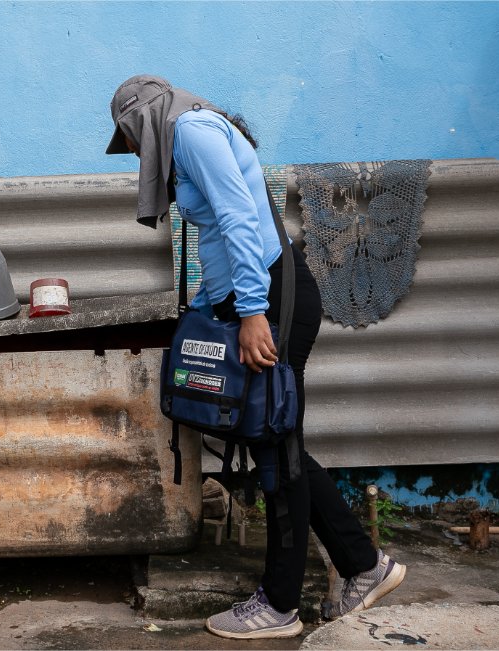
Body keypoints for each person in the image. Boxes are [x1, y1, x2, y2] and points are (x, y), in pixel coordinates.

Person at [105, 75, 407, 640]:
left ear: (144, 118)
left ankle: (279, 604)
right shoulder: (188, 135)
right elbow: (220, 236)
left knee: (277, 452)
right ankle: (365, 567)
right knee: (278, 438)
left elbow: (243, 219)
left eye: (130, 137)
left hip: (272, 298)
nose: (136, 152)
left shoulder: (191, 131)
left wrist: (249, 313)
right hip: (257, 296)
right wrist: (207, 308)